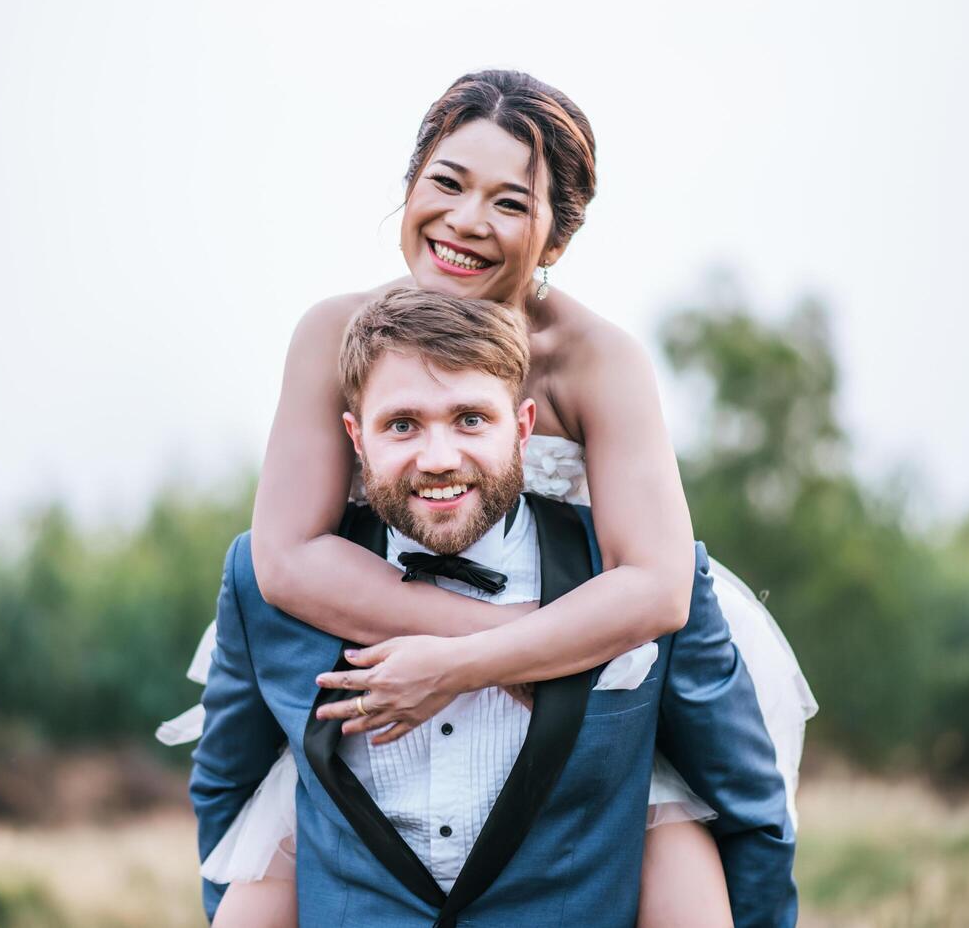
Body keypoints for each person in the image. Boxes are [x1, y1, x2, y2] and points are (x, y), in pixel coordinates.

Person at [160, 69, 816, 925]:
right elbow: (285, 559)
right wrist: (514, 650)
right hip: (390, 622)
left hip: (596, 643)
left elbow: (654, 586)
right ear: (408, 188)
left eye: (509, 202)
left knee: (691, 824)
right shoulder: (334, 334)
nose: (465, 221)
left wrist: (479, 669)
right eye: (445, 182)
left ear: (554, 239)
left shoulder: (593, 358)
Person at [189, 288, 797, 927]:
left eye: (471, 419)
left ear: (524, 426)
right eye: (402, 425)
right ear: (356, 438)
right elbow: (229, 795)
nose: (439, 459)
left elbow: (747, 809)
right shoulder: (267, 584)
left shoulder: (632, 584)